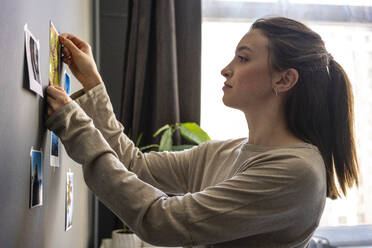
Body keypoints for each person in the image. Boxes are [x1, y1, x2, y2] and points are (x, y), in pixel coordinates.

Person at [46, 17, 359, 247]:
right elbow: (136, 166)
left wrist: (77, 129)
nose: (227, 68)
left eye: (244, 58)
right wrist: (93, 86)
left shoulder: (297, 172)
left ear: (284, 80)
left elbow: (162, 221)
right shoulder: (225, 151)